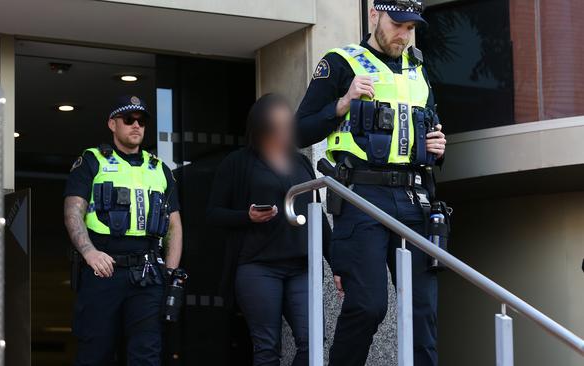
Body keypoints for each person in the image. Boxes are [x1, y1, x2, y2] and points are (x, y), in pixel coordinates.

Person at [295, 1, 447, 365]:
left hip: (415, 197)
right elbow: (299, 130)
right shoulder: (340, 62)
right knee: (367, 304)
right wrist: (342, 103)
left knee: (421, 315)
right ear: (374, 16)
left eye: (411, 29)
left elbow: (430, 128)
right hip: (363, 196)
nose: (404, 36)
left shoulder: (419, 70)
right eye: (398, 25)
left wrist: (438, 147)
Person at [207, 94, 331, 366]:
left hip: (301, 267)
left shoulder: (301, 163)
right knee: (267, 348)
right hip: (258, 266)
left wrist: (338, 266)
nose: (283, 131)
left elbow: (316, 213)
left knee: (313, 344)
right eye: (276, 125)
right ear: (260, 127)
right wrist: (247, 216)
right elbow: (213, 213)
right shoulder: (237, 163)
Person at [64, 95, 183, 366]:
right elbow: (73, 211)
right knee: (95, 352)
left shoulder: (160, 169)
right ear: (112, 124)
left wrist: (170, 273)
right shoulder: (92, 161)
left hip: (148, 274)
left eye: (142, 121)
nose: (136, 126)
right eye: (129, 120)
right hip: (103, 270)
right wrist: (90, 253)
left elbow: (174, 225)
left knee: (147, 354)